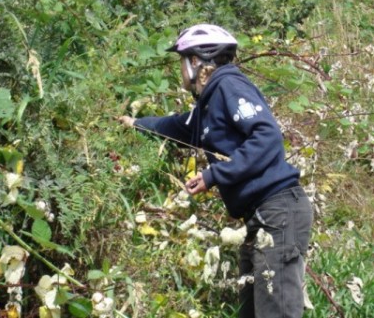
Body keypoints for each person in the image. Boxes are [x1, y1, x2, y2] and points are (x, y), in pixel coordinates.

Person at [118, 24, 313, 318]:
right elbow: (178, 127)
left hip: (279, 212)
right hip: (261, 217)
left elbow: (267, 137)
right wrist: (136, 124)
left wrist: (213, 176)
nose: (179, 70)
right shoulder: (208, 104)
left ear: (195, 61)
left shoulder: (228, 86)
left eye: (181, 61)